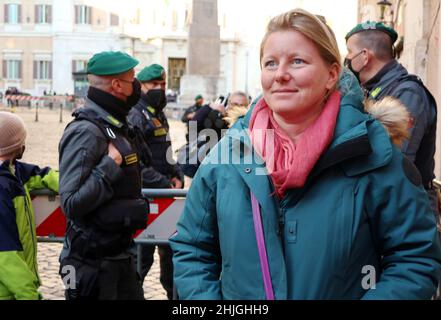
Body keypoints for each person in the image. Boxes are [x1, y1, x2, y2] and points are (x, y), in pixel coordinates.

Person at [170, 9, 441, 300]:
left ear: (332, 74)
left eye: (297, 61)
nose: (281, 74)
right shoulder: (228, 155)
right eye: (270, 63)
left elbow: (414, 258)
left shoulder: (373, 154)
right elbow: (192, 248)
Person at [58, 51, 148, 300]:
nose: (137, 86)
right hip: (93, 265)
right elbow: (71, 203)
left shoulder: (117, 125)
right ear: (117, 85)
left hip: (120, 257)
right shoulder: (86, 131)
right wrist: (109, 164)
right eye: (132, 80)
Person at [345, 21, 438, 213]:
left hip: (409, 207)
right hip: (386, 202)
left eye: (349, 52)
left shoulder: (408, 94)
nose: (347, 59)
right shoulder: (371, 92)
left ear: (364, 56)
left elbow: (394, 160)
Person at [128, 63, 183, 300]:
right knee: (141, 258)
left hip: (165, 195)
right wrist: (162, 181)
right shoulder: (135, 114)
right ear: (141, 86)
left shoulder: (157, 113)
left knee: (170, 255)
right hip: (146, 196)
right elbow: (135, 165)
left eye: (163, 84)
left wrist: (176, 173)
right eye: (154, 85)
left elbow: (166, 152)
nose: (160, 89)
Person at [0, 112, 58, 300]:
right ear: (18, 146)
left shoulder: (14, 171)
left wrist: (75, 184)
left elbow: (43, 175)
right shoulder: (3, 186)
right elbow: (5, 254)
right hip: (8, 291)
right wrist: (29, 294)